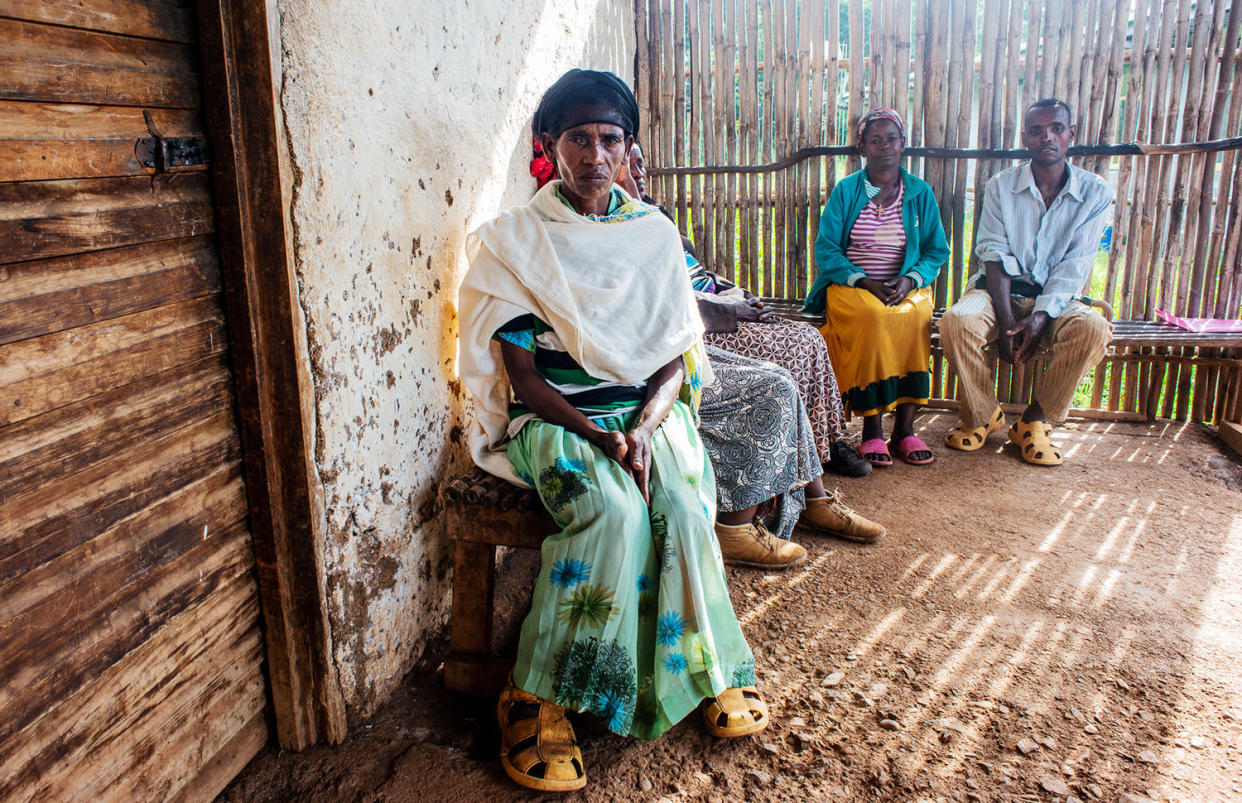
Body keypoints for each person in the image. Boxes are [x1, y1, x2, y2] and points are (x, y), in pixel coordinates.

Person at [460, 69, 770, 793]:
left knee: (687, 506)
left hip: (647, 415)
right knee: (611, 511)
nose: (595, 154)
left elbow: (671, 363)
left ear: (630, 147)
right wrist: (602, 440)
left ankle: (705, 667)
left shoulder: (654, 236)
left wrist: (644, 427)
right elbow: (526, 380)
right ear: (550, 145)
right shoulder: (516, 244)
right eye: (578, 138)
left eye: (609, 138)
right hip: (558, 421)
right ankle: (537, 691)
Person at [618, 141, 874, 479]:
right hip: (701, 324)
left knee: (810, 338)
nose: (641, 174)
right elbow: (665, 298)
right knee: (796, 347)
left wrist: (735, 292)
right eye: (630, 165)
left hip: (719, 301)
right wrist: (731, 309)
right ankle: (797, 464)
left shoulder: (653, 211)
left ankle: (826, 443)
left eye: (643, 164)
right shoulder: (622, 226)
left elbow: (697, 271)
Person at [940, 98, 1113, 466]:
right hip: (998, 293)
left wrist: (1039, 318)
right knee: (957, 322)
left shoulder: (1095, 192)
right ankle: (984, 414)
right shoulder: (1002, 186)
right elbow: (994, 255)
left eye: (1056, 129)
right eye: (1036, 130)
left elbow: (1075, 265)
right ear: (1025, 138)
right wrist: (1006, 322)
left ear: (1071, 135)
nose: (1046, 137)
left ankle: (1034, 421)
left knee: (1094, 329)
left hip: (1059, 299)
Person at [803, 108, 950, 468]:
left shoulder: (918, 193)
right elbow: (827, 250)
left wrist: (910, 279)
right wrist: (865, 280)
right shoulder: (847, 191)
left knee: (914, 315)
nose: (885, 146)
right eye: (876, 140)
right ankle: (871, 428)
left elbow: (936, 251)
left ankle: (904, 428)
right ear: (862, 147)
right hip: (851, 285)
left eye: (892, 139)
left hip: (904, 285)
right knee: (872, 316)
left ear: (903, 144)